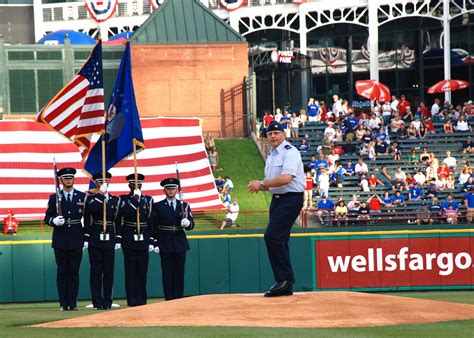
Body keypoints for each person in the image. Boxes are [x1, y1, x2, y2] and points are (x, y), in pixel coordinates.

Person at [248, 121, 305, 297]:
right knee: (280, 238)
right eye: (269, 133)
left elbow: (286, 178)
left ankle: (284, 279)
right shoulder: (272, 154)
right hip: (278, 199)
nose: (272, 136)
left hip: (291, 198)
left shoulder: (290, 152)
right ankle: (285, 284)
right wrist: (261, 186)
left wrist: (262, 183)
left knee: (272, 236)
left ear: (283, 134)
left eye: (276, 133)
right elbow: (274, 181)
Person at [44, 167, 86, 311]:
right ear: (61, 180)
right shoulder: (54, 197)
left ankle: (72, 303)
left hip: (76, 238)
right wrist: (53, 221)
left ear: (74, 179)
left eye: (70, 178)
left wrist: (85, 237)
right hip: (60, 239)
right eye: (65, 178)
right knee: (62, 272)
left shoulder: (82, 197)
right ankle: (63, 303)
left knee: (74, 272)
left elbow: (87, 218)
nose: (68, 180)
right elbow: (46, 217)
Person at [151, 177, 195, 301]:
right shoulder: (158, 206)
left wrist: (188, 223)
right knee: (167, 273)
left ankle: (179, 299)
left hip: (180, 242)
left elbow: (191, 225)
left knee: (179, 273)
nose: (171, 191)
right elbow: (154, 225)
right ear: (164, 190)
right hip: (165, 242)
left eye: (173, 188)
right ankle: (169, 299)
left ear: (177, 190)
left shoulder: (184, 205)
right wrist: (154, 242)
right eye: (168, 189)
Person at [115, 173, 154, 307]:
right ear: (129, 185)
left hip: (143, 237)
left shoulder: (148, 200)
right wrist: (135, 200)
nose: (136, 185)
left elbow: (151, 220)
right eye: (133, 183)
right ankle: (132, 300)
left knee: (142, 271)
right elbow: (122, 215)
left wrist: (152, 240)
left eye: (138, 183)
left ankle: (142, 300)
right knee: (130, 271)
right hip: (129, 237)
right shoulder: (123, 199)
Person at [83, 172, 120, 310]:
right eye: (100, 181)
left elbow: (117, 219)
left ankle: (108, 301)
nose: (103, 183)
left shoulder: (115, 200)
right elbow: (90, 212)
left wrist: (118, 238)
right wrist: (100, 194)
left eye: (105, 181)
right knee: (96, 271)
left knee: (109, 271)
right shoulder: (92, 198)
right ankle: (97, 301)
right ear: (96, 183)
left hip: (109, 235)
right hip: (95, 236)